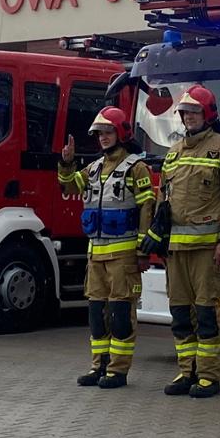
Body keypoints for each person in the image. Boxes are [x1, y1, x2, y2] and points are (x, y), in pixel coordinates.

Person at [158, 85, 220, 398]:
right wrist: (158, 239)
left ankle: (208, 376)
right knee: (181, 314)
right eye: (185, 113)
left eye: (195, 112)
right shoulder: (173, 154)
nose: (190, 117)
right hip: (175, 251)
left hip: (209, 250)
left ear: (208, 114)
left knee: (208, 312)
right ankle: (187, 372)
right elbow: (163, 201)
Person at [58, 107, 154, 389]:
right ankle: (98, 366)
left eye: (108, 132)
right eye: (99, 133)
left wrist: (141, 250)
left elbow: (147, 208)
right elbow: (68, 187)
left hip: (123, 256)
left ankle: (118, 370)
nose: (102, 137)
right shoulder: (94, 167)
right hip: (95, 254)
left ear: (121, 133)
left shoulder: (137, 168)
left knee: (120, 315)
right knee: (97, 314)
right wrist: (67, 163)